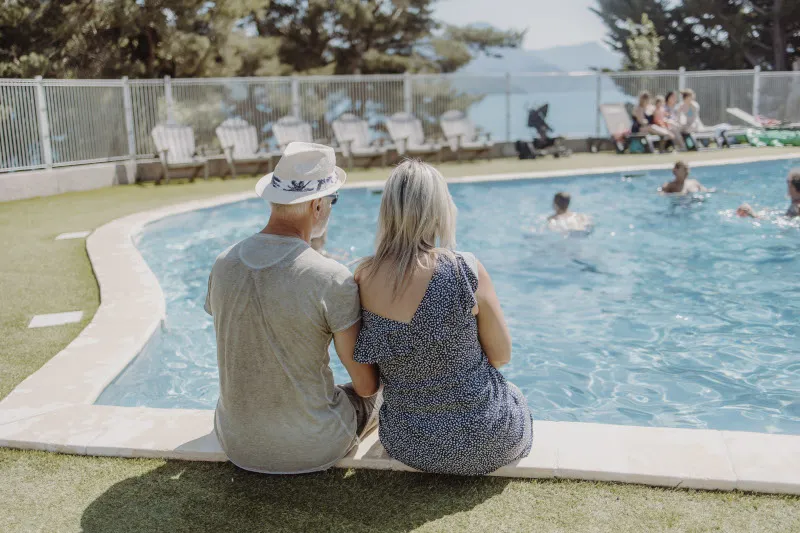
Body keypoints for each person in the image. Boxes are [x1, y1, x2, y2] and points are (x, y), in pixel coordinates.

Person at [204, 142, 381, 474]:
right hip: (312, 446)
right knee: (381, 391)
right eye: (333, 201)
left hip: (236, 441)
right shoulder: (331, 278)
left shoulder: (223, 263)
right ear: (316, 205)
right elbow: (365, 386)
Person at [352, 159, 533, 476]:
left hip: (412, 445)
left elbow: (369, 377)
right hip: (492, 438)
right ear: (439, 209)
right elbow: (502, 356)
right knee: (515, 394)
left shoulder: (362, 277)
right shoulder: (465, 269)